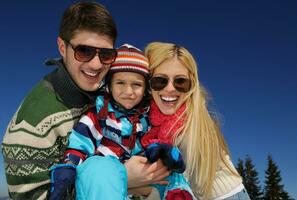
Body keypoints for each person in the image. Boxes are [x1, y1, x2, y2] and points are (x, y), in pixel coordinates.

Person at [1, 2, 168, 199]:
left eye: (105, 54)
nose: (96, 64)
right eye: (84, 51)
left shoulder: (113, 95)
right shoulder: (32, 123)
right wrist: (123, 179)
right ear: (62, 47)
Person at [144, 41, 251, 199]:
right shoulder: (152, 120)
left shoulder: (189, 121)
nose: (170, 89)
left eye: (180, 82)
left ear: (191, 85)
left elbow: (166, 179)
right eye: (160, 81)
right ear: (149, 83)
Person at [49, 43, 151, 199]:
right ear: (109, 85)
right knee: (100, 167)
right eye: (120, 83)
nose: (128, 92)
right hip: (101, 181)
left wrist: (159, 151)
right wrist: (68, 168)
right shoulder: (99, 116)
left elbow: (151, 141)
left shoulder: (145, 119)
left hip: (135, 182)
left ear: (145, 89)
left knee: (172, 176)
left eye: (136, 85)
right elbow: (80, 145)